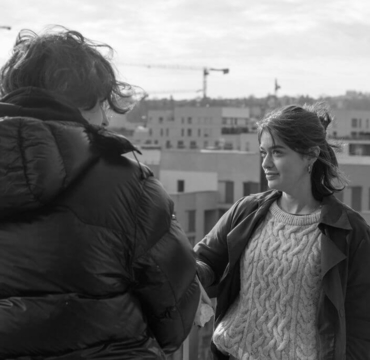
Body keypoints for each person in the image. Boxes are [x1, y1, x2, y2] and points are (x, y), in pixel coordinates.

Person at [0, 26, 201, 359]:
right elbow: (174, 317)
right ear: (83, 102)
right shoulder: (129, 184)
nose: (106, 120)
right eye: (101, 105)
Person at [194, 103, 370, 360]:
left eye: (277, 152)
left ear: (310, 155)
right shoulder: (247, 210)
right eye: (263, 152)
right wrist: (187, 265)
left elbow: (362, 327)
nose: (266, 163)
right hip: (230, 352)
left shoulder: (351, 232)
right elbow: (207, 260)